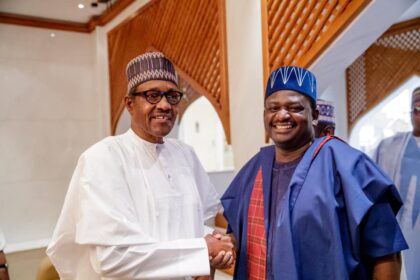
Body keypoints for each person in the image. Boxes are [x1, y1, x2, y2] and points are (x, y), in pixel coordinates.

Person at [47, 51, 234, 279]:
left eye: (172, 96)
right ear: (129, 104)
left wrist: (213, 243)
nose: (165, 105)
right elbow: (113, 257)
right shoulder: (102, 159)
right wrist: (202, 250)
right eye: (152, 95)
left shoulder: (185, 154)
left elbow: (186, 226)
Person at [221, 66, 408, 280]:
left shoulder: (348, 165)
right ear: (265, 114)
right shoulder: (253, 170)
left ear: (315, 115)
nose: (282, 115)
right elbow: (237, 234)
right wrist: (225, 246)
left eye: (295, 108)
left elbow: (386, 251)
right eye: (273, 108)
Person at [373, 86, 420, 280]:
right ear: (410, 112)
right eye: (416, 108)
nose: (419, 114)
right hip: (399, 227)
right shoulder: (389, 147)